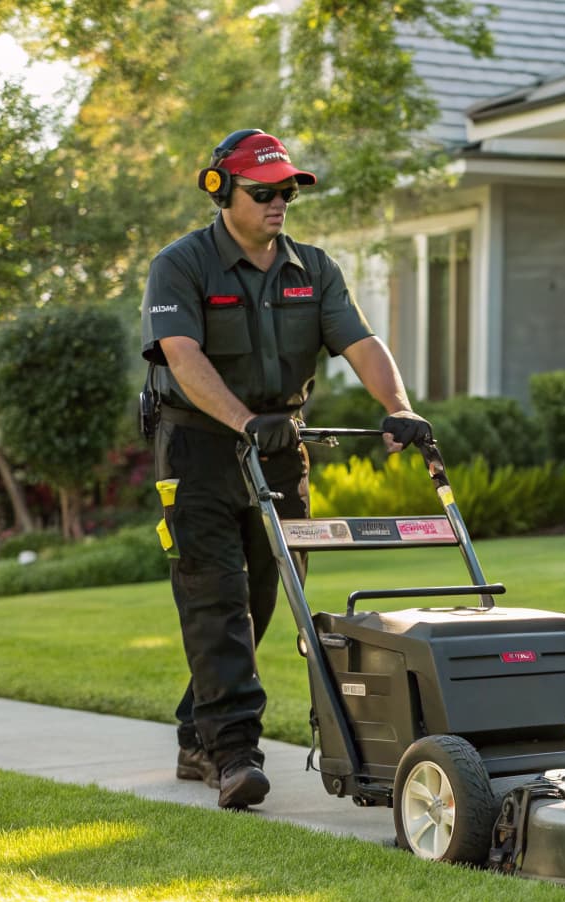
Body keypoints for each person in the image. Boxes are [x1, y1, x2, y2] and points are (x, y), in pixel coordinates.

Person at [141, 128, 431, 809]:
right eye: (264, 192)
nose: (279, 203)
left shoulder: (313, 269)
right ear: (222, 192)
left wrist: (399, 407)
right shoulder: (180, 265)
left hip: (279, 451)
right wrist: (244, 420)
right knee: (216, 600)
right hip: (199, 450)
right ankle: (233, 753)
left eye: (288, 192)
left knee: (268, 597)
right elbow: (182, 355)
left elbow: (360, 341)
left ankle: (196, 731)